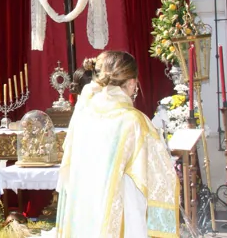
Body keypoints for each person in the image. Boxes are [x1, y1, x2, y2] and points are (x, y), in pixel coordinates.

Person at [55, 51, 180, 237]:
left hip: (84, 211)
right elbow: (160, 178)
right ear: (131, 83)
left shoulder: (83, 114)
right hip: (123, 210)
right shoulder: (134, 121)